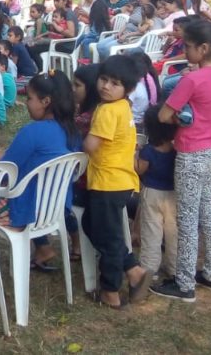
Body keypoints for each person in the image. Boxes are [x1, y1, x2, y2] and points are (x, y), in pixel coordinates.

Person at [151, 21, 211, 302]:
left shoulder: (192, 79)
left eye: (188, 46)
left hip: (191, 154)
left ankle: (184, 282)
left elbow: (164, 115)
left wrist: (180, 116)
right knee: (207, 216)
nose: (185, 49)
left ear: (203, 48)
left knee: (187, 220)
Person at [82, 55, 153, 308]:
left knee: (109, 237)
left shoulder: (107, 111)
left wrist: (78, 142)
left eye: (114, 83)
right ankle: (133, 269)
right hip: (121, 180)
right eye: (104, 79)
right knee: (92, 225)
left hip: (107, 183)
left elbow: (91, 145)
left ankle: (111, 291)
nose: (106, 86)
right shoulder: (123, 106)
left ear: (128, 88)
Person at [0, 72, 83, 271]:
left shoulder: (32, 132)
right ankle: (43, 247)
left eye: (29, 98)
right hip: (58, 207)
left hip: (26, 211)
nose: (26, 103)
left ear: (45, 101)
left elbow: (3, 172)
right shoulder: (73, 132)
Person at [137, 104, 178, 280]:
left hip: (152, 193)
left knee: (151, 232)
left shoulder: (148, 151)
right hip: (174, 194)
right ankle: (175, 267)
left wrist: (134, 154)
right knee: (174, 232)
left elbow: (140, 169)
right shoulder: (178, 151)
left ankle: (149, 268)